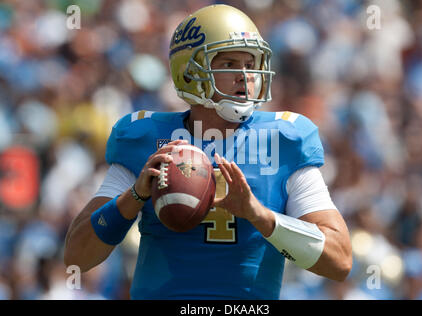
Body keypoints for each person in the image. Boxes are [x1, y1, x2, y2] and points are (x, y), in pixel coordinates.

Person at [64, 4, 352, 299]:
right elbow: (77, 255)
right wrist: (134, 196)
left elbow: (339, 260)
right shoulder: (146, 139)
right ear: (189, 72)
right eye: (228, 64)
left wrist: (261, 216)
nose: (245, 75)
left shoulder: (283, 139)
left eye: (251, 63)